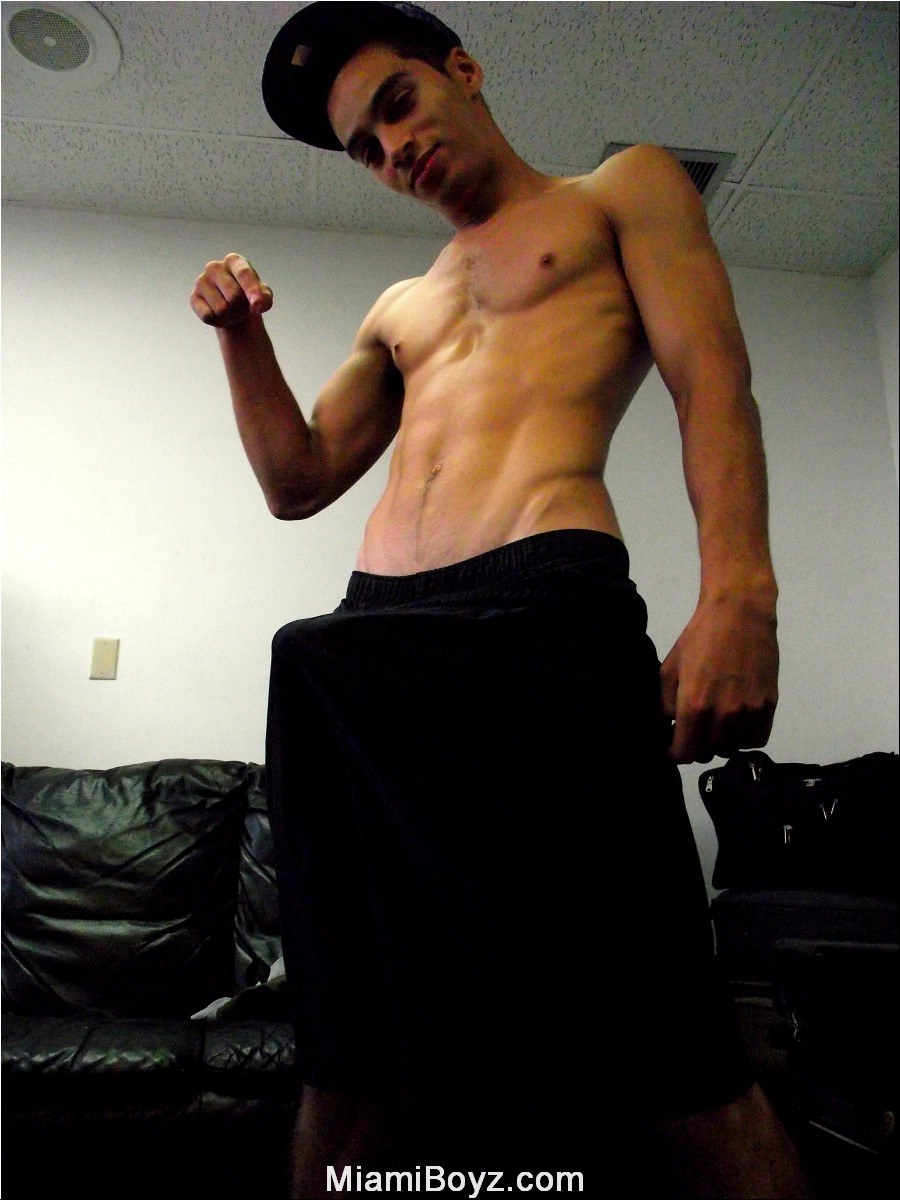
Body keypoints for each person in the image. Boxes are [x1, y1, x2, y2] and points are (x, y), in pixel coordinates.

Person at [190, 4, 813, 1196]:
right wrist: (239, 337)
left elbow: (710, 378)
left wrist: (740, 593)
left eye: (399, 105)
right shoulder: (399, 307)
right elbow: (295, 480)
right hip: (359, 649)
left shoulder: (619, 191)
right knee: (351, 1049)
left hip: (543, 622)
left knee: (667, 1042)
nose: (393, 150)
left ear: (464, 71)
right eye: (365, 149)